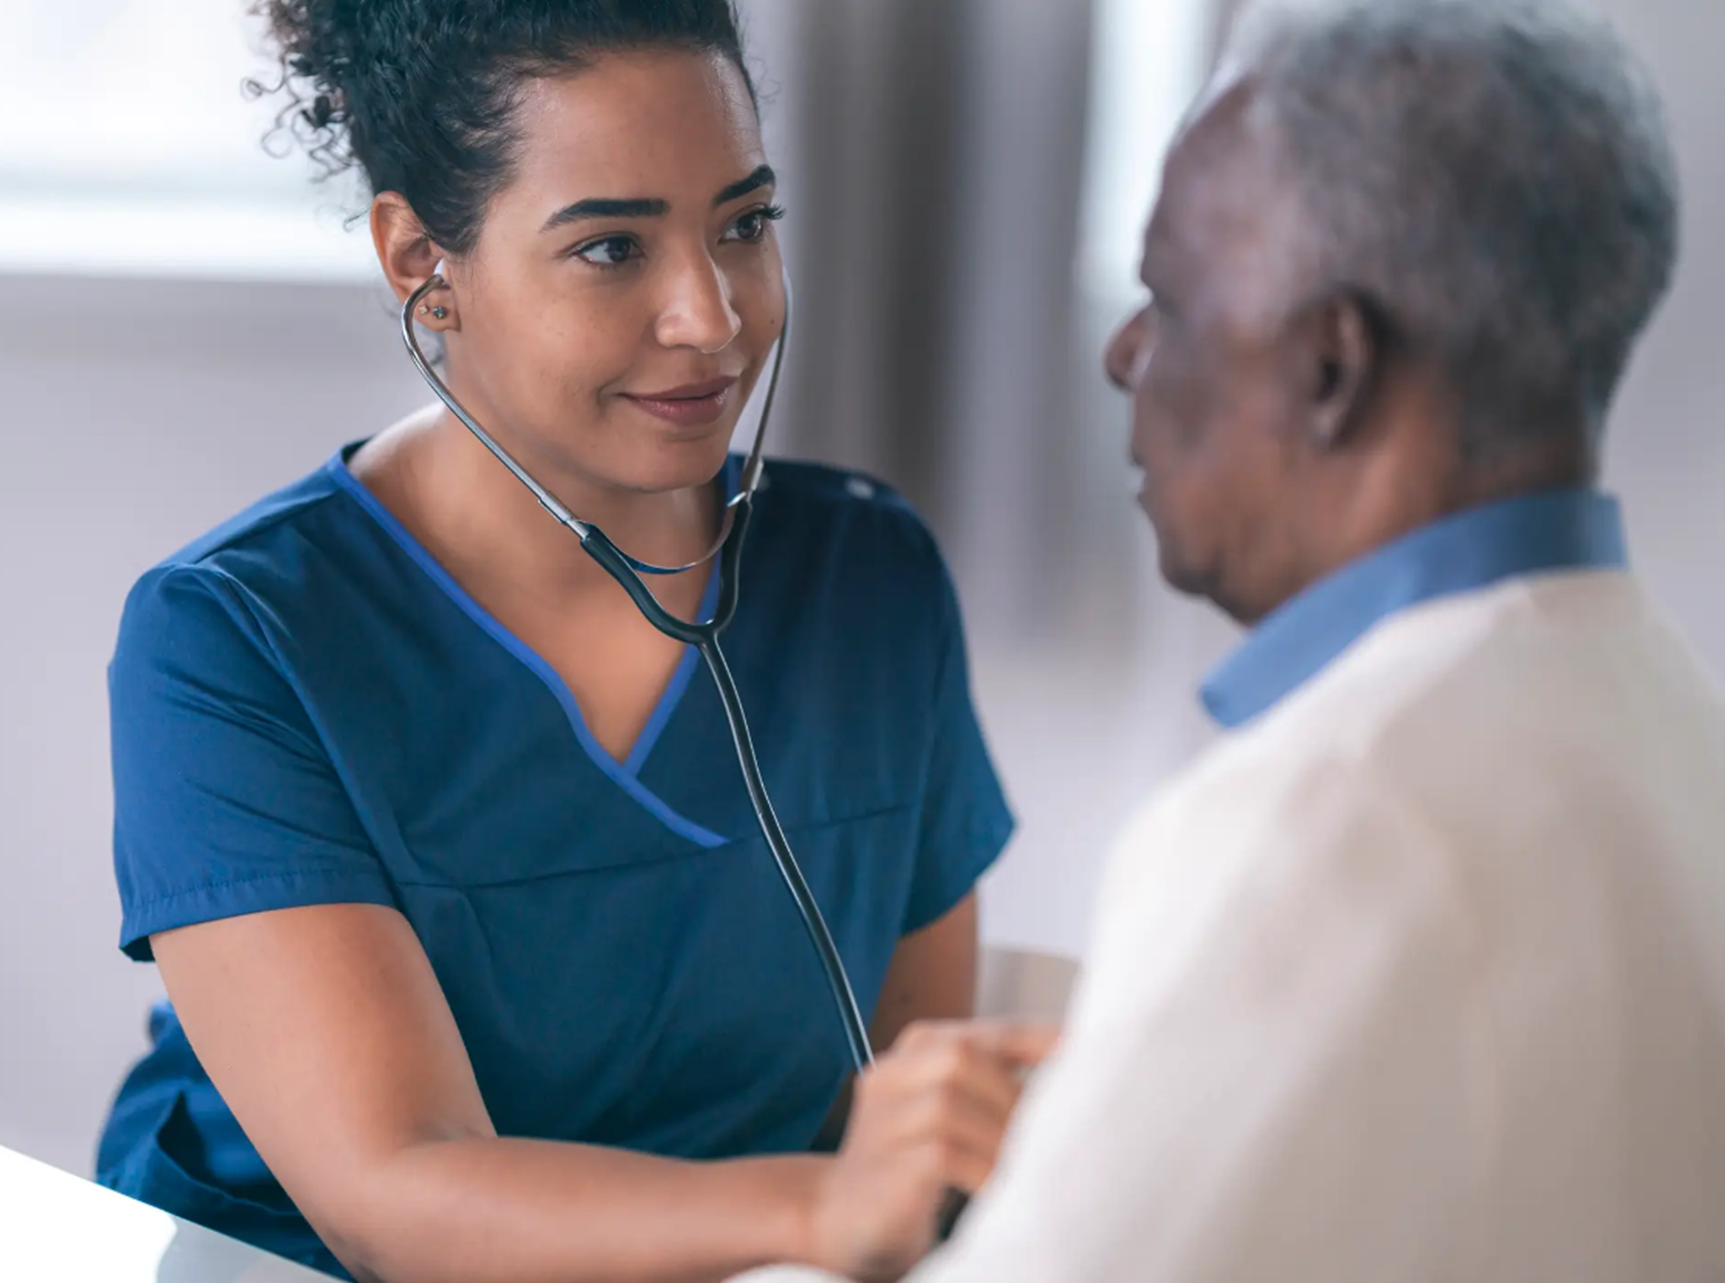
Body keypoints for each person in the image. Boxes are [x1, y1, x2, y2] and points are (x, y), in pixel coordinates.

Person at [737, 0, 1725, 1279]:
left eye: (1167, 298)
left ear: (1330, 365)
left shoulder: (1330, 811)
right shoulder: (1662, 714)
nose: (1120, 353)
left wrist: (811, 1234)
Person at [91, 3, 1055, 1280]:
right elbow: (397, 1193)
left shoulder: (869, 581)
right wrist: (813, 1214)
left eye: (745, 224)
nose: (709, 317)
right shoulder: (232, 639)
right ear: (419, 260)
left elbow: (897, 1120)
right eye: (611, 248)